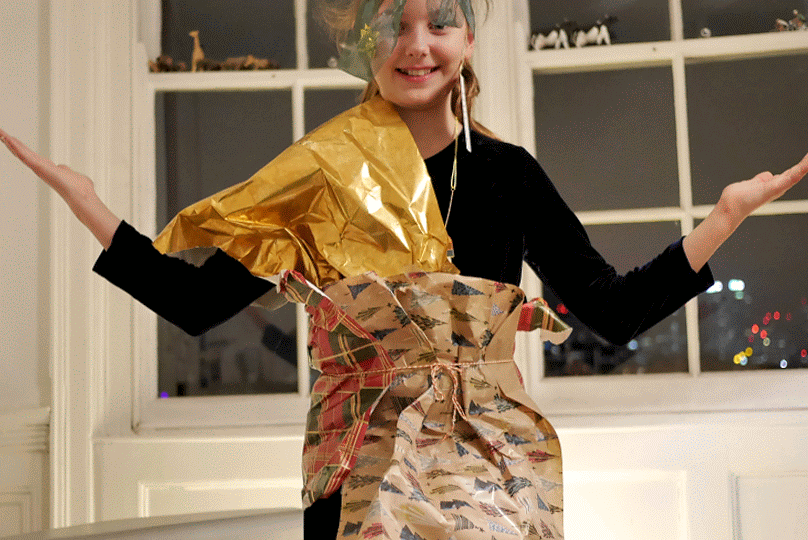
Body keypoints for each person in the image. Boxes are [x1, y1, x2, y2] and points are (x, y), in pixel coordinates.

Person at [2, 0, 807, 538]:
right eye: (394, 23)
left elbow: (611, 309)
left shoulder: (509, 175)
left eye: (440, 22)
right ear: (364, 41)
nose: (417, 45)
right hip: (356, 464)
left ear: (467, 39)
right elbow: (194, 301)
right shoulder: (322, 174)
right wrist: (90, 205)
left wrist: (723, 218)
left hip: (492, 466)